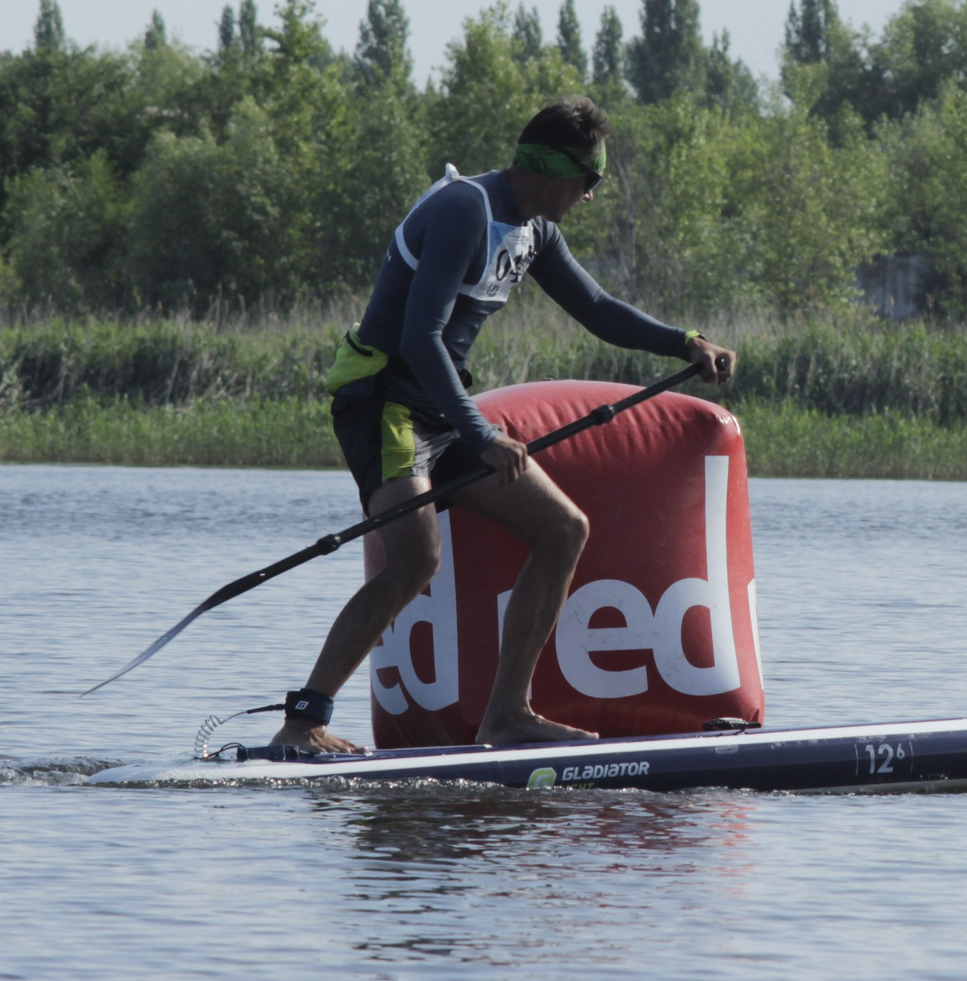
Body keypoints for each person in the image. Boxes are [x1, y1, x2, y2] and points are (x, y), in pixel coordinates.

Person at [272, 96, 735, 755]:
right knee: (414, 558)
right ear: (551, 169)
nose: (591, 195)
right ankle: (301, 722)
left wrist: (685, 340)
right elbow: (421, 336)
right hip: (383, 399)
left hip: (440, 404)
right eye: (589, 180)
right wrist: (484, 436)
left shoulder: (534, 230)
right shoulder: (467, 209)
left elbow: (599, 308)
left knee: (563, 528)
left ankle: (506, 716)